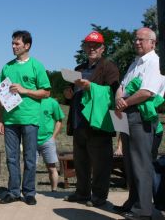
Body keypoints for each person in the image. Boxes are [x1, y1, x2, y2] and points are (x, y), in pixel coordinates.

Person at [63, 31, 119, 207]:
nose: (92, 48)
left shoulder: (109, 67)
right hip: (79, 123)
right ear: (84, 47)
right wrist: (68, 94)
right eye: (88, 45)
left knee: (101, 163)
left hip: (98, 123)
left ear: (102, 48)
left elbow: (114, 93)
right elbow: (70, 93)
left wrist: (91, 87)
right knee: (81, 162)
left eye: (96, 46)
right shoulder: (79, 68)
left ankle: (99, 197)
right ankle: (82, 193)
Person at [114, 27, 163, 220]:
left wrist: (124, 101)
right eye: (135, 39)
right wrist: (119, 98)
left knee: (141, 164)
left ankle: (143, 210)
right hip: (127, 113)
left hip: (140, 116)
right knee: (130, 162)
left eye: (141, 39)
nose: (136, 42)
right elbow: (122, 86)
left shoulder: (155, 62)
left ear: (153, 42)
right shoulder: (135, 63)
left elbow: (147, 92)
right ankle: (132, 202)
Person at [0, 30, 51, 205]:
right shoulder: (7, 67)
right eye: (12, 43)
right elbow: (1, 95)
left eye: (17, 44)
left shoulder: (37, 66)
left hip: (30, 119)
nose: (13, 46)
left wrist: (25, 90)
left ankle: (29, 192)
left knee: (29, 157)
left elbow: (46, 92)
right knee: (11, 158)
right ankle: (13, 192)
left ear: (27, 46)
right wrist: (0, 119)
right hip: (10, 120)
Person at [37, 97, 65, 192]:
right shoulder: (30, 100)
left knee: (51, 167)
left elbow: (59, 120)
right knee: (29, 168)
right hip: (31, 140)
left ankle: (54, 191)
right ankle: (29, 192)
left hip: (47, 140)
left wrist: (53, 137)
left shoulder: (52, 102)